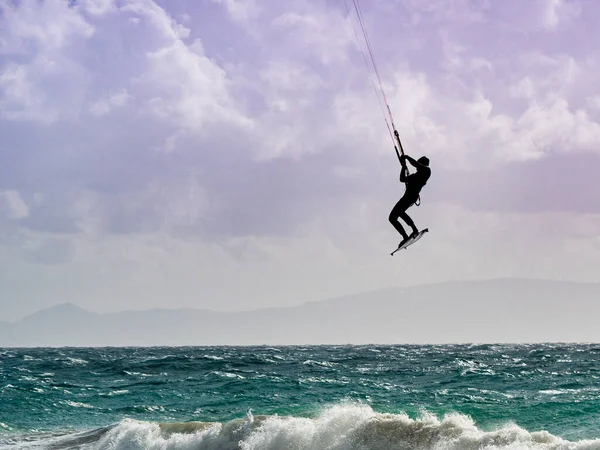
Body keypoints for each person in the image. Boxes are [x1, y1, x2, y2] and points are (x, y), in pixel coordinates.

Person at [389, 154, 431, 247]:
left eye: (419, 165)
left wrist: (407, 157)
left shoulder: (426, 171)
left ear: (422, 164)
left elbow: (416, 164)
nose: (416, 168)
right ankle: (406, 235)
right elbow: (402, 179)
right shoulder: (415, 175)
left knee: (396, 214)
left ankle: (412, 230)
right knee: (393, 217)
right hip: (407, 197)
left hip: (411, 197)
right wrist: (403, 167)